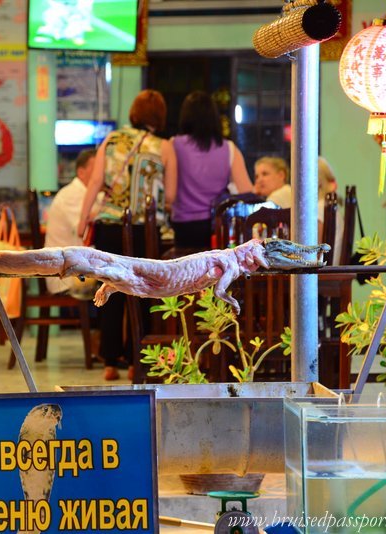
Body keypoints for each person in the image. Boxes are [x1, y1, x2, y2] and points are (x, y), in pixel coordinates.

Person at [77, 89, 177, 381]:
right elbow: (170, 195)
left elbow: (95, 182)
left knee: (108, 291)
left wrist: (84, 221)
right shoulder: (165, 147)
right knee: (143, 293)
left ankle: (109, 363)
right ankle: (137, 361)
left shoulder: (111, 139)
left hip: (110, 226)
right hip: (144, 230)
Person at [171, 91, 252, 249]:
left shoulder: (173, 145)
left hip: (183, 225)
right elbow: (246, 190)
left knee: (185, 270)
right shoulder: (229, 148)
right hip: (217, 226)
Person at [44, 148, 99, 299]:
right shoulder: (72, 194)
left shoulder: (89, 194)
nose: (102, 174)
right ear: (81, 173)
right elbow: (87, 233)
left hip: (76, 271)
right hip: (66, 278)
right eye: (98, 170)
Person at [318, 156, 343, 263]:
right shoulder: (329, 207)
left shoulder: (319, 209)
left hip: (323, 274)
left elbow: (314, 251)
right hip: (334, 271)